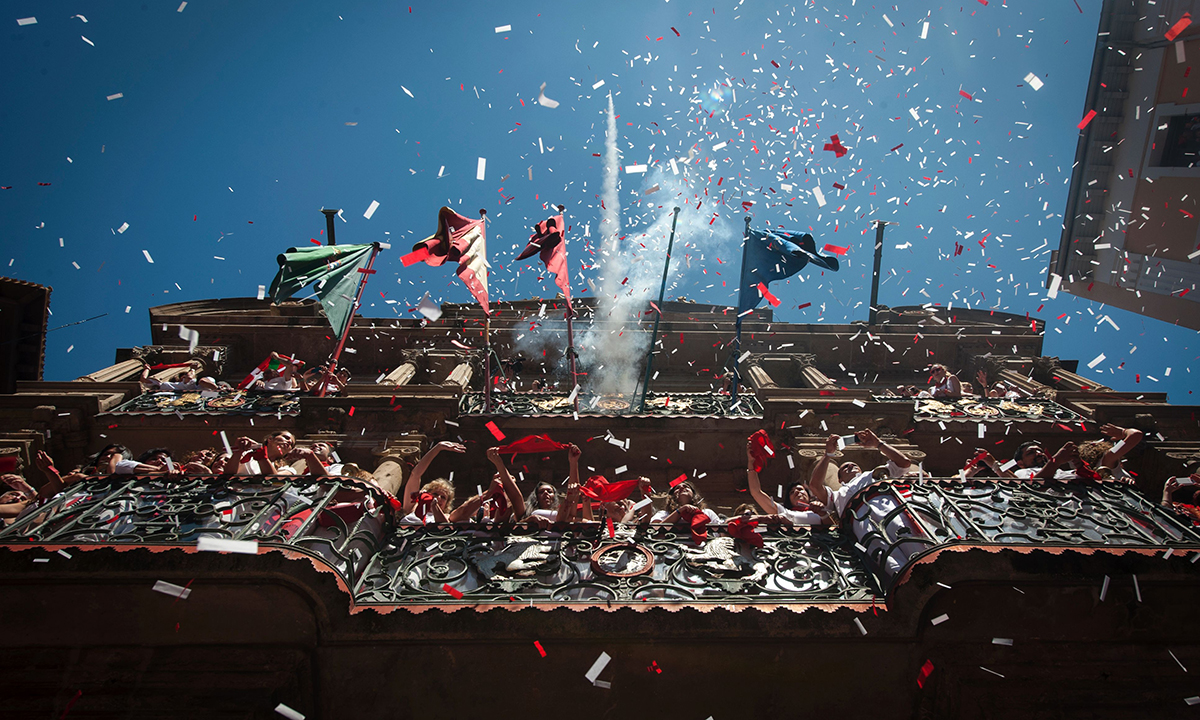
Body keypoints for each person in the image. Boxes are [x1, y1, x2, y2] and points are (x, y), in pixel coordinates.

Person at [806, 432, 925, 576]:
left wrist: (878, 443)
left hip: (889, 510)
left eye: (853, 464)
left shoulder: (874, 473)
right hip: (863, 526)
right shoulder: (837, 495)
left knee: (913, 543)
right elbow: (814, 485)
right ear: (839, 479)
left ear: (861, 469)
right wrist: (828, 455)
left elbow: (904, 463)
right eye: (844, 467)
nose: (850, 465)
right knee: (888, 558)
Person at [743, 435, 830, 527]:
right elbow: (756, 492)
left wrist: (822, 513)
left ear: (809, 496)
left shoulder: (822, 508)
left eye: (800, 489)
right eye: (792, 492)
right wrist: (751, 462)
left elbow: (833, 526)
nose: (796, 491)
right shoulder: (784, 512)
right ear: (789, 500)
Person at [399, 441, 469, 524]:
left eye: (443, 497)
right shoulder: (413, 506)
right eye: (435, 494)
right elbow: (415, 475)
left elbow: (444, 527)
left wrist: (435, 506)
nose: (438, 498)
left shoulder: (448, 517)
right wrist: (438, 448)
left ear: (446, 505)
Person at [651, 480, 722, 525]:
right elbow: (655, 529)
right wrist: (680, 511)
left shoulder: (707, 512)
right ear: (672, 496)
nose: (682, 488)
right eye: (677, 488)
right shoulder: (664, 513)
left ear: (693, 494)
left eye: (686, 486)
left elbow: (721, 531)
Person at [138, 360, 220, 393]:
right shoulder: (164, 384)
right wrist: (147, 369)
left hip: (191, 400)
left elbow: (191, 378)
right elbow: (143, 379)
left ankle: (218, 390)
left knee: (204, 382)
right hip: (168, 403)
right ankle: (218, 390)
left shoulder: (192, 385)